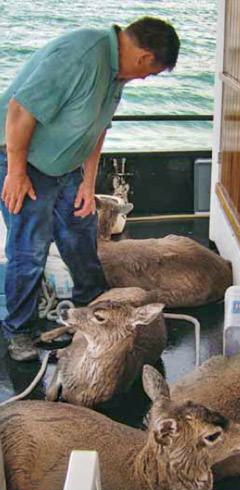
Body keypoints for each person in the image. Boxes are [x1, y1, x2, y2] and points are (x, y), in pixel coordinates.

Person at [0, 17, 180, 361]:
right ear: (143, 57)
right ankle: (20, 331)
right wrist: (17, 172)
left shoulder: (117, 73)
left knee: (79, 233)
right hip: (21, 161)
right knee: (30, 249)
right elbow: (20, 109)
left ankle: (95, 304)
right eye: (151, 73)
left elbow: (98, 129)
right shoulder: (81, 55)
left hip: (66, 168)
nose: (146, 79)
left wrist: (87, 182)